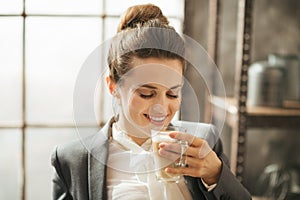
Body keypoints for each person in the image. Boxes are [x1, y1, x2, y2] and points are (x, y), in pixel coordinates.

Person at [51, 4, 251, 200]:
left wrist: (215, 173)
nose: (161, 108)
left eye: (172, 94)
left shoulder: (205, 140)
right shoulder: (72, 160)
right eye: (146, 94)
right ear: (113, 87)